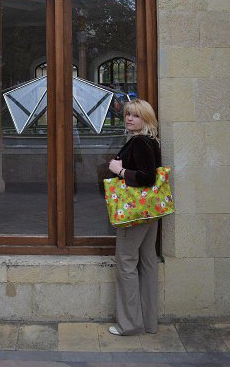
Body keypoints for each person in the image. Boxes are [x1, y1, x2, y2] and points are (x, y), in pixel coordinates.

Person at [107, 98, 161, 336]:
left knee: (126, 264)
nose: (129, 118)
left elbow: (147, 177)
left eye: (136, 115)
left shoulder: (139, 142)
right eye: (128, 114)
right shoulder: (151, 141)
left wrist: (119, 170)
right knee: (148, 263)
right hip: (149, 211)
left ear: (146, 119)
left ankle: (129, 325)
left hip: (134, 213)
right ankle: (149, 323)